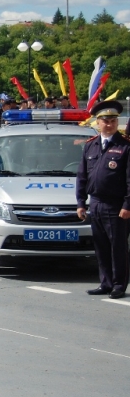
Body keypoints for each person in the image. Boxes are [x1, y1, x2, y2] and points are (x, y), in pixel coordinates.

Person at [77, 100, 130, 300]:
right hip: (96, 203)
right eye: (105, 121)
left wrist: (127, 204)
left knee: (118, 247)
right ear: (97, 122)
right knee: (101, 246)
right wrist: (81, 203)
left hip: (116, 205)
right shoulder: (91, 146)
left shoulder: (124, 146)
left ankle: (118, 285)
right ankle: (105, 282)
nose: (109, 124)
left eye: (113, 121)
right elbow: (82, 176)